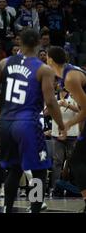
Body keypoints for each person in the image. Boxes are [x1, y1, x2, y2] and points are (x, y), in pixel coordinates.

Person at [0, 28, 65, 213]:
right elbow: (51, 103)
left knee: (14, 168)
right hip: (27, 122)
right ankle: (35, 208)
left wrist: (5, 104)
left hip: (5, 122)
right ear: (39, 44)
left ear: (19, 43)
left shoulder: (5, 63)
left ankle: (7, 208)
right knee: (38, 169)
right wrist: (61, 125)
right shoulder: (43, 68)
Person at [47, 46, 86, 213]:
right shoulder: (67, 75)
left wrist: (69, 125)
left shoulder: (70, 78)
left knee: (77, 161)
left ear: (50, 60)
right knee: (78, 161)